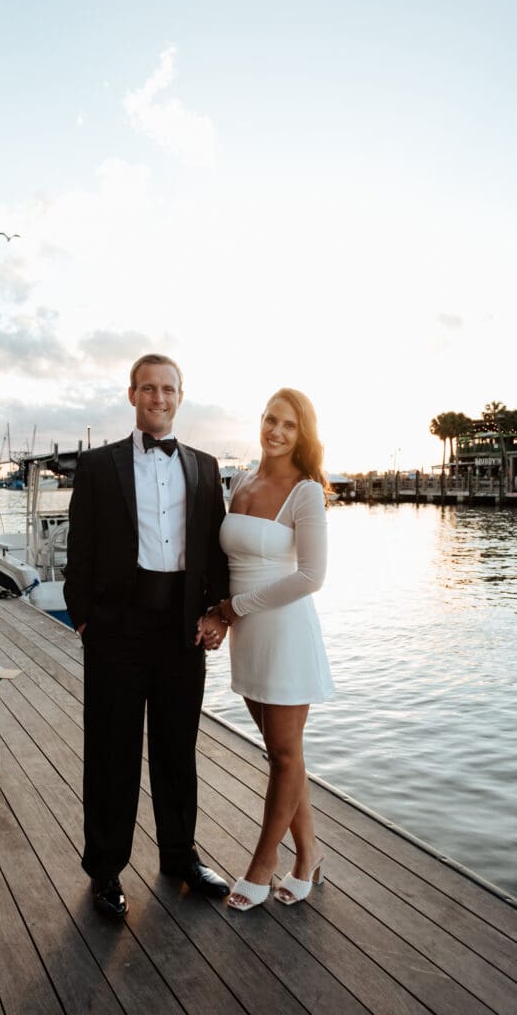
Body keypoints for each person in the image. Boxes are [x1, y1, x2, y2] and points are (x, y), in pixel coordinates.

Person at [64, 352, 231, 920]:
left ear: (180, 397)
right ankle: (106, 868)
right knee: (111, 751)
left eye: (168, 389)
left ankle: (180, 856)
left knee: (176, 747)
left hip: (180, 630)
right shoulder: (97, 467)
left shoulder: (206, 469)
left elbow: (214, 552)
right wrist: (84, 619)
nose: (159, 398)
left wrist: (218, 614)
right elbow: (78, 552)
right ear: (132, 394)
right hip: (116, 628)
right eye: (149, 389)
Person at [198, 387, 334, 910]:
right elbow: (225, 562)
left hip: (283, 631)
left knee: (282, 753)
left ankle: (265, 862)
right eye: (271, 420)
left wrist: (235, 609)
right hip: (247, 631)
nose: (276, 431)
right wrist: (219, 613)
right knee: (284, 753)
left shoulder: (305, 492)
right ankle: (310, 856)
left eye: (289, 425)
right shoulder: (241, 481)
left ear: (303, 435)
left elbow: (311, 576)